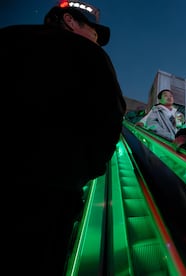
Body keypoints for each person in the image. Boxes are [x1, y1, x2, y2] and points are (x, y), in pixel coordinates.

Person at [1, 1, 126, 274]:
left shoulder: (9, 38)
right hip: (52, 190)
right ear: (69, 20)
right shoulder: (88, 53)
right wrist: (87, 170)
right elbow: (110, 115)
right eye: (93, 30)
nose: (96, 38)